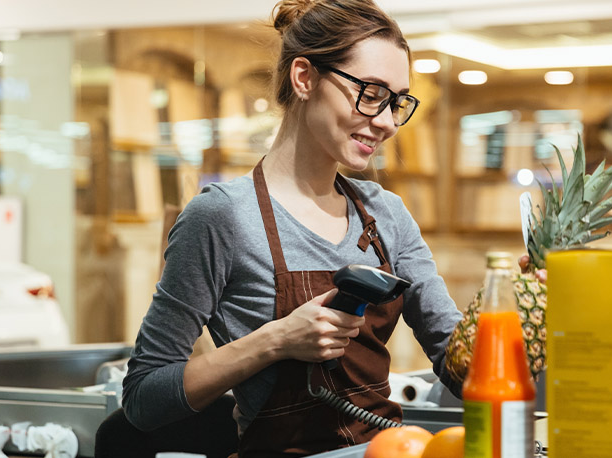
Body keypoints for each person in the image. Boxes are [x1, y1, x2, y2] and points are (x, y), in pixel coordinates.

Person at [121, 0, 464, 456]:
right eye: (371, 92)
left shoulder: (388, 215)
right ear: (304, 78)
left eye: (397, 102)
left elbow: (462, 372)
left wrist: (521, 307)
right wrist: (276, 340)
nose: (385, 122)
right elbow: (144, 399)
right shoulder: (222, 217)